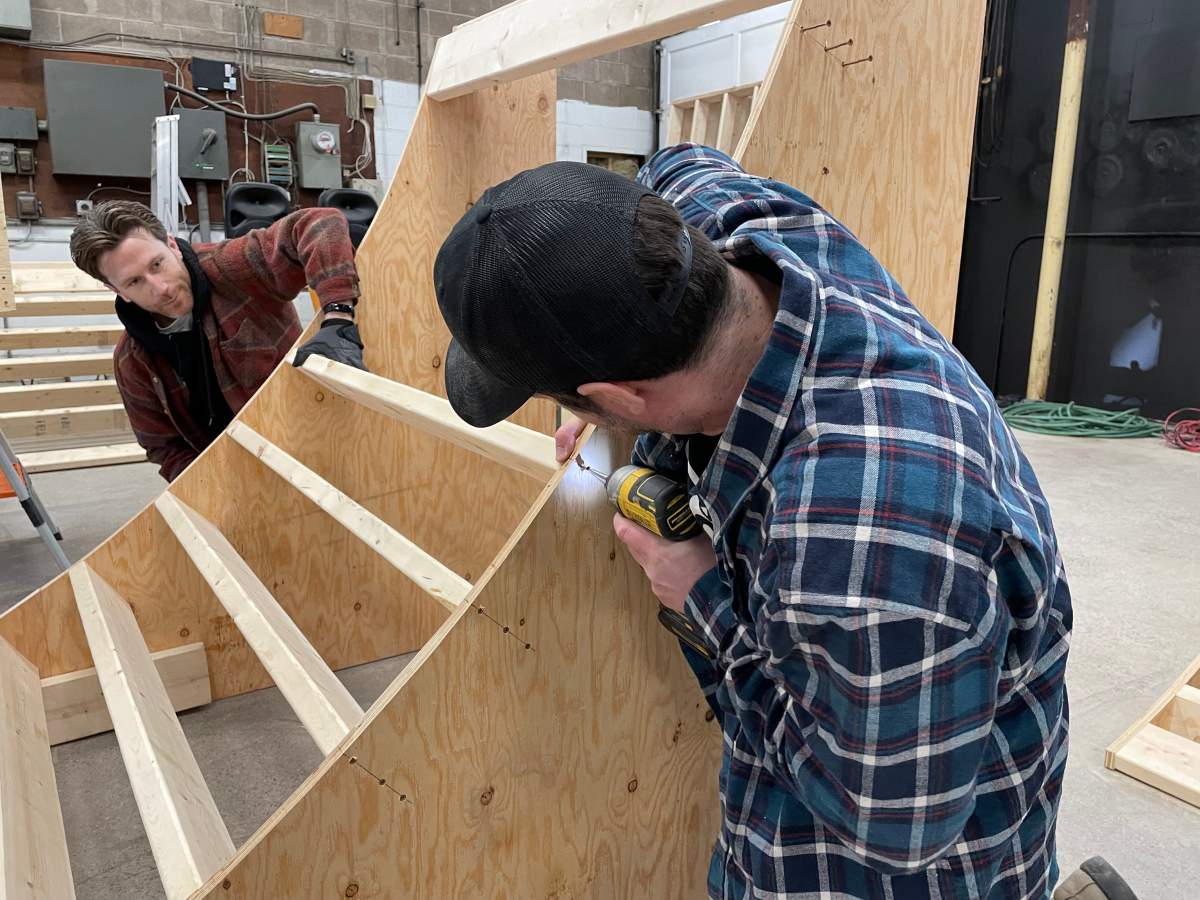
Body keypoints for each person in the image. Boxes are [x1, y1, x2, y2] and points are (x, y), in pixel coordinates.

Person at [432, 145, 1138, 899]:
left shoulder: (854, 547)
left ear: (627, 394)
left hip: (910, 863)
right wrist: (605, 416)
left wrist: (702, 596)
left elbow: (894, 830)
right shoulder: (739, 225)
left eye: (572, 401)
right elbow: (679, 160)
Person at [69, 201, 366, 481]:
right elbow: (163, 447)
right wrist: (211, 486)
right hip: (236, 473)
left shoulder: (231, 269)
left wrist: (337, 319)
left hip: (316, 440)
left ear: (172, 245)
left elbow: (320, 223)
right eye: (135, 281)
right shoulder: (132, 362)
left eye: (157, 264)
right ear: (116, 290)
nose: (160, 289)